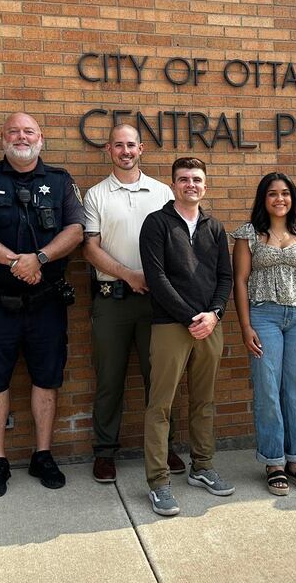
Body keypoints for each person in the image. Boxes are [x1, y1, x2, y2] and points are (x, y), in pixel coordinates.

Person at [0, 112, 85, 497]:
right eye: (13, 131)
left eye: (28, 131)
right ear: (2, 138)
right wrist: (15, 261)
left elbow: (76, 230)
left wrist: (40, 259)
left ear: (41, 138)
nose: (21, 136)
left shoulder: (60, 181)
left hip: (46, 302)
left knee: (47, 378)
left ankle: (42, 454)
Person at [83, 123, 185, 483]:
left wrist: (157, 283)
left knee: (158, 379)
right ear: (108, 149)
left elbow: (174, 244)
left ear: (141, 149)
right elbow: (90, 249)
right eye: (118, 146)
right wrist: (129, 275)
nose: (125, 151)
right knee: (109, 379)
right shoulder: (95, 195)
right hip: (113, 300)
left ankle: (163, 447)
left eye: (131, 145)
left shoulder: (161, 193)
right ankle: (105, 452)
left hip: (158, 304)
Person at [140, 157, 234, 516]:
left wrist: (215, 315)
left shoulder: (214, 227)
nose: (190, 184)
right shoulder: (157, 223)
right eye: (183, 179)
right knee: (160, 405)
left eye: (197, 179)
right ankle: (159, 482)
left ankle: (203, 466)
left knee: (204, 401)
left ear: (205, 186)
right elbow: (156, 277)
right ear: (173, 185)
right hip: (170, 325)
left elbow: (224, 277)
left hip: (210, 325)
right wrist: (189, 316)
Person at [232, 172, 296, 495]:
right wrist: (246, 326)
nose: (279, 199)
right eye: (272, 194)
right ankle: (274, 460)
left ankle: (295, 459)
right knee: (268, 387)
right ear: (263, 198)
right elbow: (240, 283)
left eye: (285, 193)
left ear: (293, 198)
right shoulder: (248, 235)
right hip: (264, 315)